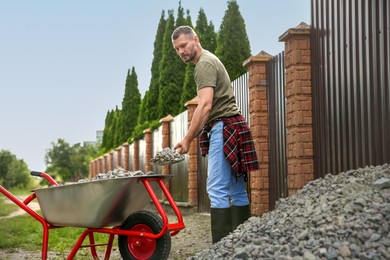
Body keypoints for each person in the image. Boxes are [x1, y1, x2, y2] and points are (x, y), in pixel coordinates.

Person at [171, 25, 260, 243]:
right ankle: (242, 243)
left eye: (183, 45)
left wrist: (187, 138)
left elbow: (205, 105)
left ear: (195, 39)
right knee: (236, 189)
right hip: (233, 125)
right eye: (177, 49)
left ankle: (220, 248)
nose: (181, 51)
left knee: (217, 188)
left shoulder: (204, 64)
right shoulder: (208, 61)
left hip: (224, 127)